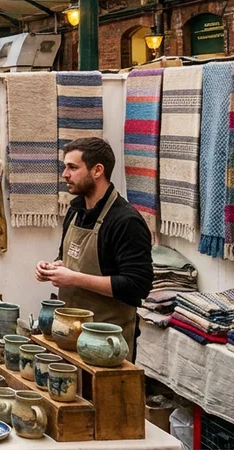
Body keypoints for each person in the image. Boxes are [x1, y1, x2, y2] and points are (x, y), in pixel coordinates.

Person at [36, 137, 153, 357]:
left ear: (97, 170)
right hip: (69, 333)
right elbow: (68, 258)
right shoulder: (75, 211)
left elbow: (137, 286)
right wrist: (54, 267)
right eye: (65, 167)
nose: (65, 174)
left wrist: (73, 278)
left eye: (72, 167)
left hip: (106, 343)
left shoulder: (125, 221)